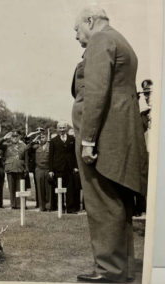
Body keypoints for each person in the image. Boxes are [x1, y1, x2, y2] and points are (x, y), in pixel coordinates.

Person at [72, 6, 148, 283]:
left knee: (102, 202)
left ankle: (108, 270)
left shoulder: (100, 40)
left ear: (90, 21)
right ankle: (120, 268)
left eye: (77, 29)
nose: (76, 36)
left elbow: (96, 92)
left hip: (103, 135)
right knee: (117, 203)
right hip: (119, 133)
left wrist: (88, 139)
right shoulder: (120, 40)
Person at [48, 122, 79, 213]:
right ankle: (60, 208)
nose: (62, 130)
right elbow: (51, 156)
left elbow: (75, 154)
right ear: (57, 129)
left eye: (63, 128)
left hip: (69, 168)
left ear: (66, 128)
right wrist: (51, 170)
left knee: (70, 189)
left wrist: (76, 166)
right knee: (59, 189)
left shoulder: (72, 139)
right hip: (58, 168)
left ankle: (70, 209)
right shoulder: (53, 141)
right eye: (60, 128)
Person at [0, 131, 29, 209]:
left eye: (16, 136)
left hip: (20, 168)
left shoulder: (23, 146)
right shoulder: (6, 145)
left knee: (20, 187)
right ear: (10, 137)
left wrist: (26, 169)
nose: (15, 138)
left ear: (19, 137)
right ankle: (13, 204)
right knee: (11, 188)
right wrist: (4, 138)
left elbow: (26, 158)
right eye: (13, 136)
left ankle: (19, 204)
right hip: (10, 168)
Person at [34, 133, 51, 211]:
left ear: (47, 138)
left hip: (47, 168)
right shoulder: (36, 146)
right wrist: (35, 139)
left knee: (48, 189)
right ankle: (42, 207)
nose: (42, 139)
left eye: (43, 137)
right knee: (40, 189)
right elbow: (27, 147)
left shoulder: (50, 146)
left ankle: (48, 206)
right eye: (40, 137)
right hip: (39, 169)